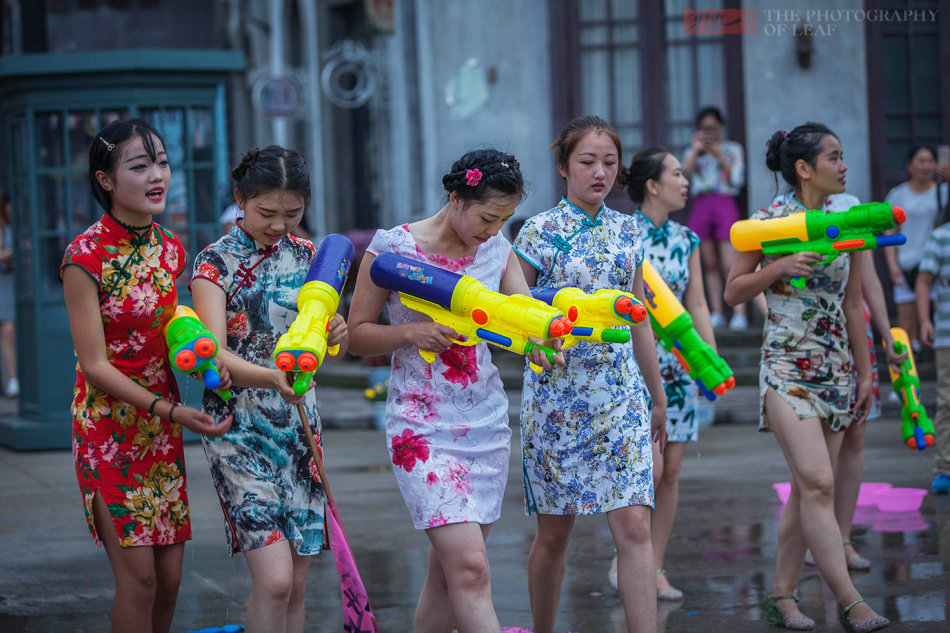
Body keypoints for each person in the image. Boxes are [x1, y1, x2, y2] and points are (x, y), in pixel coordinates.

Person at [347, 148, 560, 633]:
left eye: (503, 219)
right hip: (420, 425)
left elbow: (521, 315)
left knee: (448, 575)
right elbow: (356, 336)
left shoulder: (496, 249)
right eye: (487, 217)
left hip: (484, 423)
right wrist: (409, 333)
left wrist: (540, 344)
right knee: (471, 568)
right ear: (456, 197)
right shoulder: (394, 248)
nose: (492, 230)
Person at [60, 117, 233, 633]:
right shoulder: (83, 258)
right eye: (140, 165)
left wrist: (205, 356)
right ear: (106, 180)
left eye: (162, 162)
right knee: (138, 582)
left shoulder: (169, 247)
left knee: (171, 580)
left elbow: (171, 324)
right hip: (108, 431)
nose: (158, 175)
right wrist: (172, 409)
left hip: (160, 427)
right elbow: (94, 364)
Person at [724, 122, 888, 632]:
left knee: (806, 489)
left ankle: (780, 596)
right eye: (834, 157)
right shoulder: (767, 223)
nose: (843, 166)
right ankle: (849, 600)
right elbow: (733, 292)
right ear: (804, 168)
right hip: (785, 366)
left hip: (836, 364)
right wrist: (779, 266)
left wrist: (866, 371)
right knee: (819, 482)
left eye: (842, 156)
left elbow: (854, 301)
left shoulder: (848, 220)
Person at [513, 115, 667, 633]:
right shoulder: (537, 231)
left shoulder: (628, 229)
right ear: (563, 167)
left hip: (620, 394)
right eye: (587, 162)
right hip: (556, 399)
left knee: (634, 526)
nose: (600, 172)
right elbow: (514, 311)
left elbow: (639, 315)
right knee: (555, 534)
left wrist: (657, 394)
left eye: (609, 162)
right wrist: (534, 346)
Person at [190, 146, 347, 633]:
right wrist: (273, 378)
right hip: (238, 431)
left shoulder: (309, 257)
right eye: (266, 213)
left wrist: (334, 329)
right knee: (275, 581)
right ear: (240, 199)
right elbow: (214, 352)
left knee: (296, 586)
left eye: (292, 213)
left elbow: (318, 329)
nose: (280, 225)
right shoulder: (214, 263)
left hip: (299, 429)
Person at [612, 147, 716, 601]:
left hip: (678, 369)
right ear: (652, 185)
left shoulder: (687, 239)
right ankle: (628, 557)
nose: (685, 179)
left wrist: (708, 362)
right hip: (633, 368)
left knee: (670, 471)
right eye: (676, 173)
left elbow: (697, 304)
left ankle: (653, 567)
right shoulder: (622, 234)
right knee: (647, 471)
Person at [682, 105, 751, 331]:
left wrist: (719, 155)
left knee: (729, 262)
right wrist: (695, 150)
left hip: (724, 201)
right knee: (709, 263)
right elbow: (683, 177)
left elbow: (737, 179)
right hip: (701, 202)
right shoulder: (693, 150)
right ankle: (717, 312)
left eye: (712, 128)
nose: (709, 132)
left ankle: (739, 314)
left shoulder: (732, 149)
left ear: (721, 127)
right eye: (704, 129)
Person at [883, 145, 949, 351]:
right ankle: (912, 365)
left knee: (939, 314)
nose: (927, 166)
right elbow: (889, 232)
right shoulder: (898, 195)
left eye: (931, 161)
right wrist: (893, 265)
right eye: (921, 161)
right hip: (907, 262)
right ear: (910, 166)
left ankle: (938, 356)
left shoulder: (944, 191)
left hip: (934, 262)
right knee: (906, 323)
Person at [916, 221, 950, 493]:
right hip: (947, 335)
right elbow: (924, 281)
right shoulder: (940, 236)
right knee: (947, 401)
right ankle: (945, 468)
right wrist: (925, 320)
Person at [0, 189, 17, 397]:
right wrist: (16, 251)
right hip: (4, 283)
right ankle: (12, 379)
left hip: (17, 283)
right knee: (8, 331)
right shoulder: (3, 229)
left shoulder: (18, 228)